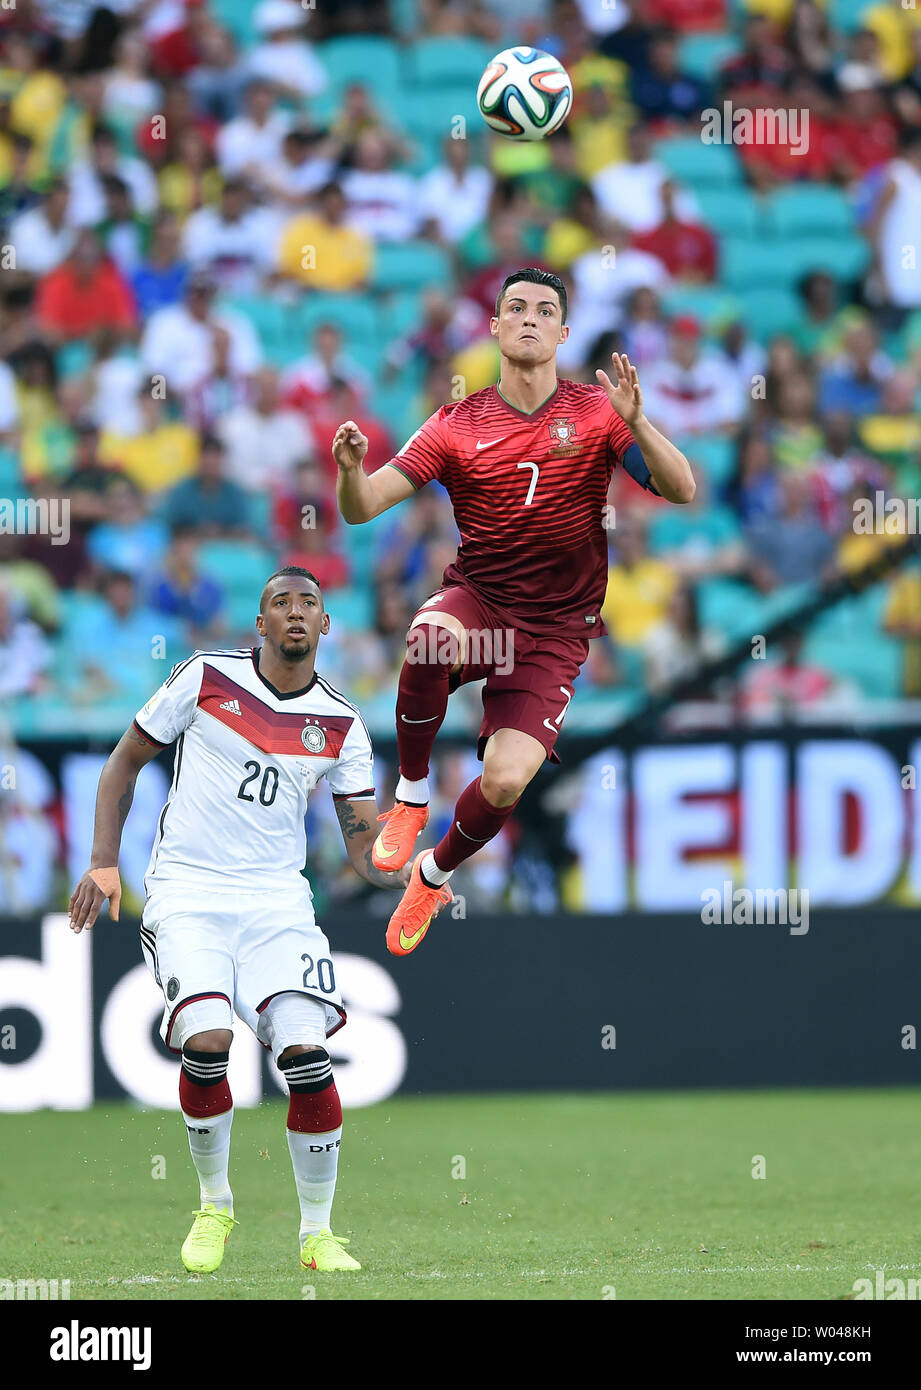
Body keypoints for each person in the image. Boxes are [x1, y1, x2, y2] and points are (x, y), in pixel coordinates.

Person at [333, 267, 695, 956]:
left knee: (502, 781)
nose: (529, 317)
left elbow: (680, 489)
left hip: (556, 633)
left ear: (562, 333)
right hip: (484, 605)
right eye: (515, 308)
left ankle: (432, 877)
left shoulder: (596, 412)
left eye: (545, 310)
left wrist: (638, 420)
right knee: (427, 639)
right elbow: (363, 509)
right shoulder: (455, 424)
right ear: (495, 328)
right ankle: (409, 798)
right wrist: (351, 471)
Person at [68, 566, 413, 1275]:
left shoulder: (343, 726)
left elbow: (359, 843)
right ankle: (214, 1204)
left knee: (307, 1060)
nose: (294, 613)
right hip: (187, 890)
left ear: (325, 626)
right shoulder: (204, 678)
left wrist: (410, 870)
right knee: (208, 1036)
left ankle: (316, 1235)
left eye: (307, 604)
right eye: (279, 604)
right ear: (259, 625)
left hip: (277, 902)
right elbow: (123, 762)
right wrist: (105, 860)